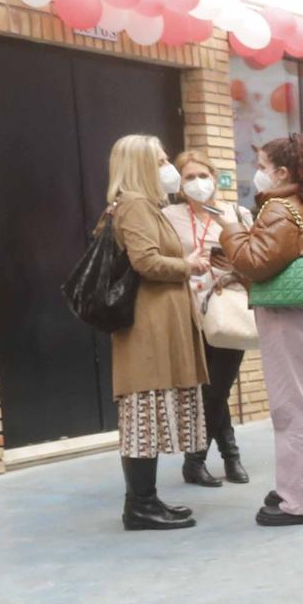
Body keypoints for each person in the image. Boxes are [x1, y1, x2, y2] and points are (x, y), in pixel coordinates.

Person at [218, 133, 303, 527]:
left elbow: (254, 261)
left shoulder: (279, 209)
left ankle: (300, 500)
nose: (258, 175)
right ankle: (298, 486)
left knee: (291, 407)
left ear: (282, 172)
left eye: (262, 167)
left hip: (286, 313)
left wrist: (229, 229)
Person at [107, 134, 210, 531]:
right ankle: (140, 506)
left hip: (157, 325)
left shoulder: (145, 205)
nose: (169, 168)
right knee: (143, 416)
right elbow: (146, 262)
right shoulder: (134, 205)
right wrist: (188, 264)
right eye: (162, 160)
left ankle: (146, 500)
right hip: (146, 330)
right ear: (139, 165)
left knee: (148, 414)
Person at [162, 149, 253, 487]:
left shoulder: (236, 213)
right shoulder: (169, 216)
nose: (198, 183)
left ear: (215, 178)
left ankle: (198, 460)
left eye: (203, 176)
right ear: (180, 183)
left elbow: (252, 257)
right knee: (207, 388)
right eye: (189, 177)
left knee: (218, 387)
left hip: (227, 306)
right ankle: (229, 457)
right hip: (186, 309)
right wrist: (188, 259)